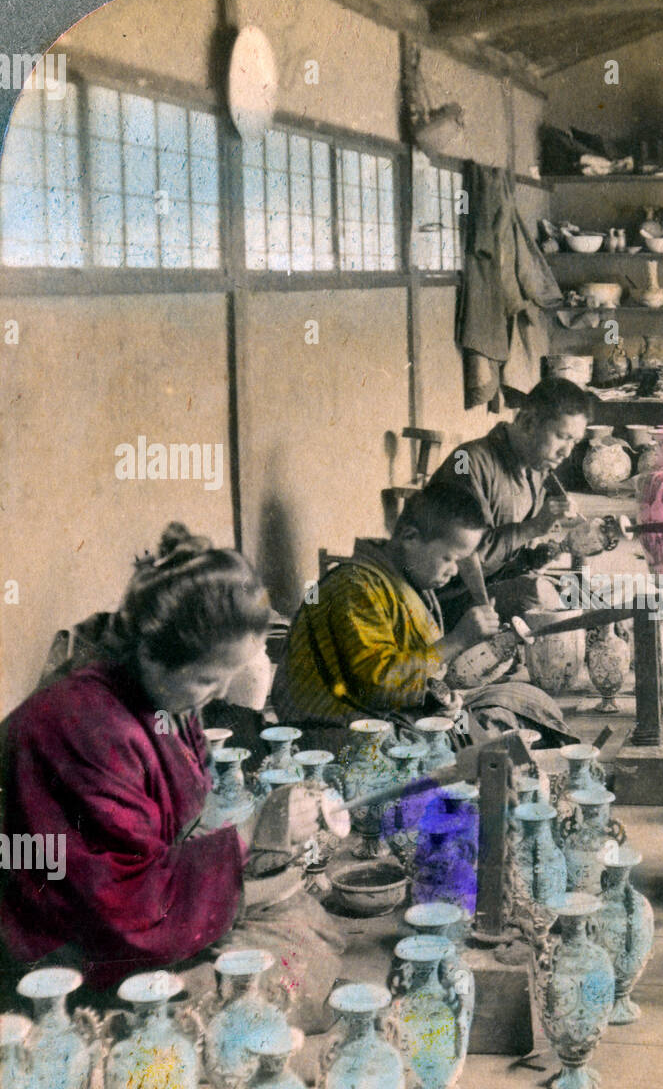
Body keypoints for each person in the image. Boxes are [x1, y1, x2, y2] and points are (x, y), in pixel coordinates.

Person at [0, 526, 345, 1018]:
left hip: (139, 911)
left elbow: (164, 840)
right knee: (272, 972)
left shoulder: (154, 693)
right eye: (208, 678)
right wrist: (248, 835)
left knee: (301, 918)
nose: (218, 692)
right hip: (70, 950)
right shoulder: (83, 728)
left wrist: (252, 850)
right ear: (150, 649)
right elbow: (121, 912)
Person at [272, 481, 572, 748]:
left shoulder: (411, 584)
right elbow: (376, 687)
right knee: (485, 740)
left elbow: (417, 670)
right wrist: (456, 641)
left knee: (525, 702)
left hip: (394, 717)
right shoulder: (355, 587)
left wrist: (438, 699)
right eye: (448, 558)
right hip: (335, 730)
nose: (454, 571)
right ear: (410, 536)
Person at [429, 376, 592, 628]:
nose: (567, 452)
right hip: (446, 599)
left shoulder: (535, 469)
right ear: (527, 421)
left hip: (493, 586)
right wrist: (534, 527)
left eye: (574, 441)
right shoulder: (466, 461)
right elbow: (466, 560)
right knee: (537, 594)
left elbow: (510, 560)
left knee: (587, 593)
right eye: (562, 436)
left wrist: (548, 552)